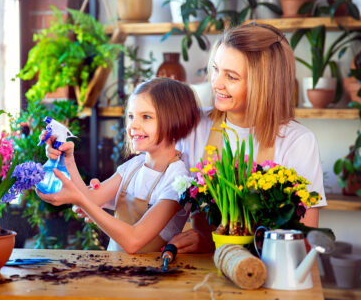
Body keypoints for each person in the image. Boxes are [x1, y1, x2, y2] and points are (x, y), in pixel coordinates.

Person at [169, 22, 327, 253]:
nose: (216, 83)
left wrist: (217, 245)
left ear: (264, 84)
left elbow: (303, 241)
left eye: (231, 77)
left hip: (269, 271)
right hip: (201, 271)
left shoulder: (298, 141)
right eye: (215, 69)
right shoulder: (194, 127)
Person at [37, 77, 201, 254]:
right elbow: (90, 200)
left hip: (151, 278)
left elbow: (133, 241)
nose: (133, 125)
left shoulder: (177, 179)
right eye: (131, 116)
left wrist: (81, 200)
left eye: (146, 117)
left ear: (175, 122)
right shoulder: (134, 166)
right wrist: (68, 160)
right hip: (116, 269)